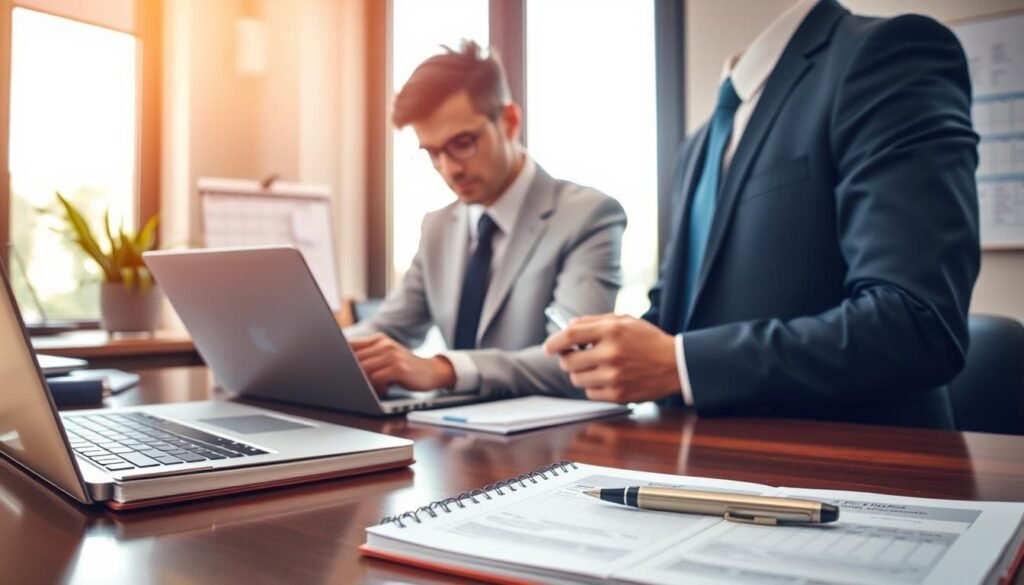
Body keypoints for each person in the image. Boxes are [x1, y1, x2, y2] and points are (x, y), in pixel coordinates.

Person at [545, 0, 979, 429]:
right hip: (703, 466)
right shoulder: (698, 145)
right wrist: (616, 350)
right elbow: (678, 314)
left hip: (857, 470)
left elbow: (915, 322)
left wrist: (680, 363)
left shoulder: (889, 53)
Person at [346, 41, 627, 398]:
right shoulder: (437, 227)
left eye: (462, 143)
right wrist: (314, 354)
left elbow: (577, 359)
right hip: (449, 434)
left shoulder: (587, 216)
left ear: (509, 121)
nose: (449, 169)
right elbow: (386, 329)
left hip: (552, 444)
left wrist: (442, 369)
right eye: (433, 152)